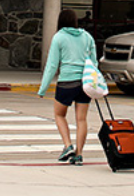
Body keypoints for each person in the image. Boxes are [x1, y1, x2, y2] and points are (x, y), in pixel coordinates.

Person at [37, 9, 97, 165]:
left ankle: (67, 145)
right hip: (84, 83)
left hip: (66, 82)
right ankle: (79, 154)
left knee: (59, 115)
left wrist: (43, 88)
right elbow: (94, 63)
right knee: (81, 119)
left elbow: (52, 65)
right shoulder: (87, 37)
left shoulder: (59, 38)